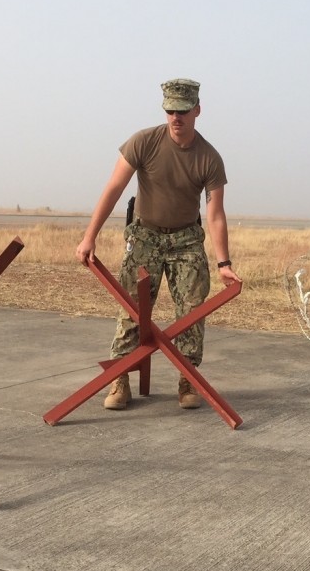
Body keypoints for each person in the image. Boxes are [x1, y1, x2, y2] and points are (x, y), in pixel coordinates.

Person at [75, 78, 241, 411]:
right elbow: (113, 189)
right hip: (145, 236)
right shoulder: (144, 142)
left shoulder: (209, 158)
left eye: (182, 110)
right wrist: (89, 237)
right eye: (170, 110)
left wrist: (224, 264)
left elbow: (216, 214)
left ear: (197, 110)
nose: (175, 117)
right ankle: (120, 379)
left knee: (192, 309)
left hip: (186, 240)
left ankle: (188, 378)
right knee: (132, 307)